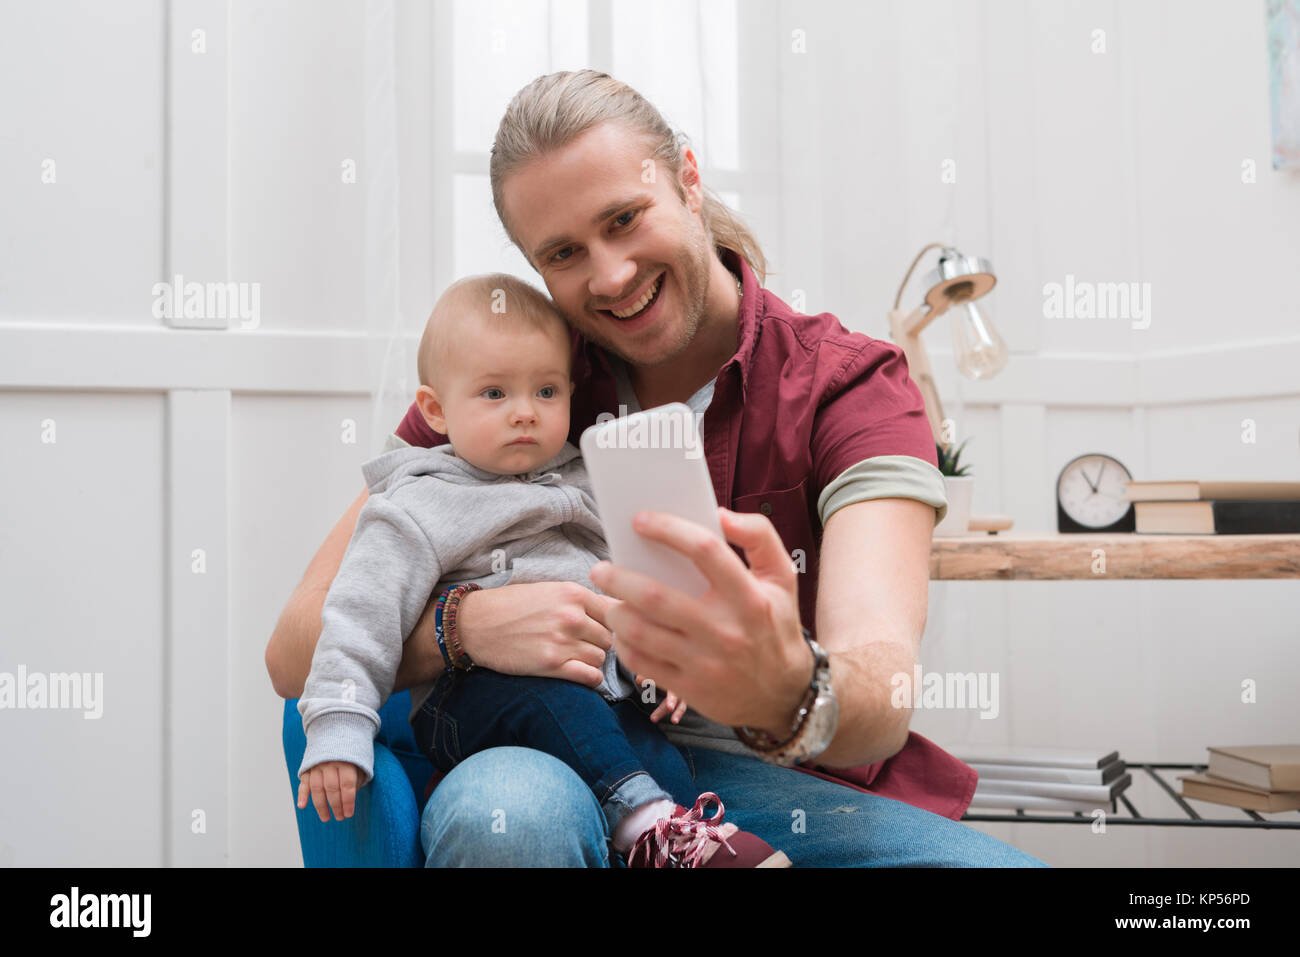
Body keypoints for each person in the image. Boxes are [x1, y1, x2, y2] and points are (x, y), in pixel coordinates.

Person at [267, 69, 1047, 867]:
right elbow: (292, 652)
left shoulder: (847, 383)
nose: (608, 275)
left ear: (689, 180)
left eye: (625, 218)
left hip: (781, 776)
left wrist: (781, 684)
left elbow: (883, 692)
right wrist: (459, 628)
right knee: (513, 808)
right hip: (552, 750)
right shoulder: (523, 390)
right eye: (565, 252)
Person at [294, 272, 790, 867]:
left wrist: (661, 661)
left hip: (596, 697)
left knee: (655, 755)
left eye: (547, 392)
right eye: (495, 394)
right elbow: (358, 616)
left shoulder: (587, 479)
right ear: (436, 410)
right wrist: (338, 727)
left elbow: (623, 586)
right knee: (558, 706)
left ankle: (673, 834)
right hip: (474, 697)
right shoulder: (414, 502)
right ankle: (652, 828)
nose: (526, 414)